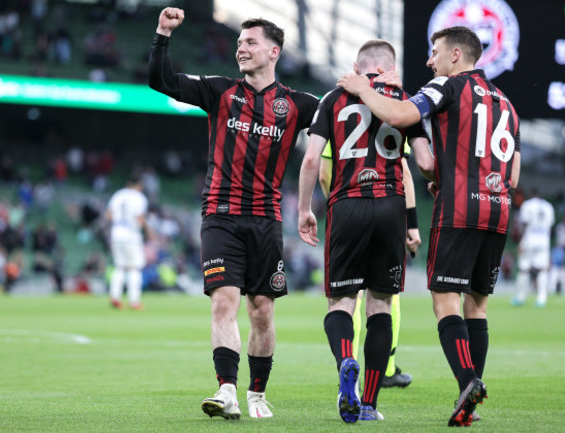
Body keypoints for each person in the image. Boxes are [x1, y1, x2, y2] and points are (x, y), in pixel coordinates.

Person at [338, 26, 521, 426]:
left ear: (456, 55)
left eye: (434, 51)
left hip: (459, 209)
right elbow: (516, 172)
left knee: (444, 300)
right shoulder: (506, 103)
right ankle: (469, 392)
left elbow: (402, 115)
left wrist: (361, 89)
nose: (429, 60)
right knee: (478, 304)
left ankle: (468, 381)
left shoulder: (447, 85)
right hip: (499, 209)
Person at [149, 8, 319, 420]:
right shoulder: (220, 91)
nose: (241, 48)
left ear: (274, 51)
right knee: (223, 304)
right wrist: (163, 34)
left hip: (265, 221)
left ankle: (257, 393)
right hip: (220, 215)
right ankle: (226, 390)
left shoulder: (300, 104)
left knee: (261, 310)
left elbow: (348, 121)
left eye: (251, 42)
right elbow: (161, 81)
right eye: (240, 42)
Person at [298, 40, 434, 423]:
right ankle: (370, 405)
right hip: (390, 206)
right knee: (381, 307)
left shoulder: (333, 98)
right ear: (391, 67)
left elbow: (312, 159)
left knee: (341, 304)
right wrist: (412, 219)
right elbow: (419, 164)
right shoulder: (407, 102)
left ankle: (346, 361)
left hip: (347, 204)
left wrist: (304, 209)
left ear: (358, 66)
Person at [318, 142, 419, 388]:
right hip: (388, 212)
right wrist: (412, 222)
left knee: (346, 300)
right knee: (384, 302)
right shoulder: (397, 112)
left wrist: (338, 203)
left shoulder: (336, 108)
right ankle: (385, 370)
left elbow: (322, 174)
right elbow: (404, 171)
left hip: (348, 211)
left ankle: (346, 364)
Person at [104, 171, 149, 310]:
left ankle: (115, 296)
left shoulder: (118, 195)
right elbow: (139, 217)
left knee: (119, 266)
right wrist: (148, 231)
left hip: (117, 233)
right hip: (131, 234)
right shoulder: (139, 197)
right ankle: (134, 300)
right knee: (134, 267)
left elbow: (108, 215)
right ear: (139, 184)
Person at [512, 189, 555, 307]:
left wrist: (521, 242)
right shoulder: (548, 206)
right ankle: (542, 298)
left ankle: (520, 297)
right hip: (543, 241)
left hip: (529, 240)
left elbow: (523, 224)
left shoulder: (527, 205)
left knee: (524, 269)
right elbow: (551, 227)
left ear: (531, 195)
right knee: (542, 269)